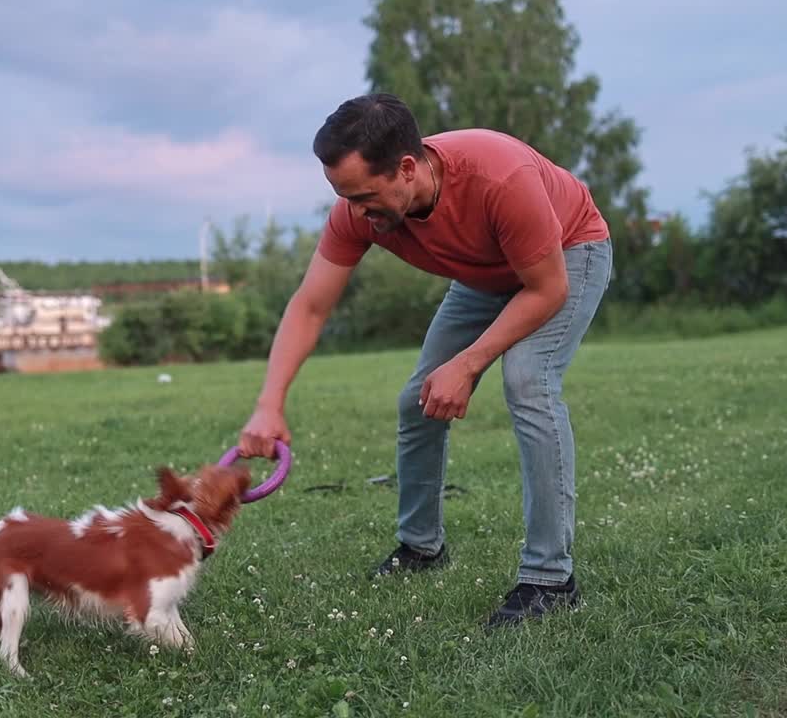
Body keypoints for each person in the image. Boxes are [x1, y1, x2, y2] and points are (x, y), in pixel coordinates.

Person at [237, 93, 612, 629]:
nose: (356, 211)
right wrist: (268, 403)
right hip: (487, 276)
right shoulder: (356, 211)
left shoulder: (498, 178)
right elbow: (311, 305)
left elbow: (548, 289)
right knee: (418, 399)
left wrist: (468, 364)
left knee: (529, 379)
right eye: (344, 196)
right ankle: (421, 548)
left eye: (365, 195)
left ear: (407, 168)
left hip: (569, 253)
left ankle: (551, 580)